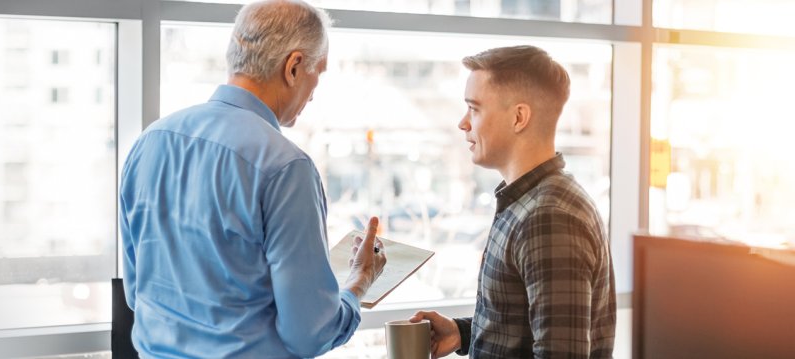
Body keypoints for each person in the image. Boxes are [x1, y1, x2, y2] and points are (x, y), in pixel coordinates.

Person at [118, 1, 386, 357]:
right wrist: (357, 283)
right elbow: (309, 334)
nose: (315, 90)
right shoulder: (286, 167)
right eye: (317, 73)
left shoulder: (150, 141)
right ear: (293, 67)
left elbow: (136, 292)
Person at [410, 45, 617, 358]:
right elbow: (524, 322)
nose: (463, 123)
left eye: (474, 109)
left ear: (519, 117)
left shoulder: (548, 217)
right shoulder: (528, 202)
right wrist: (462, 332)